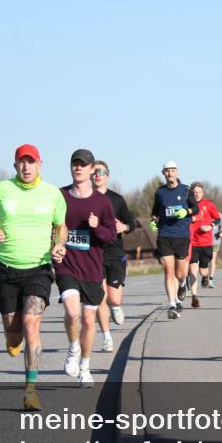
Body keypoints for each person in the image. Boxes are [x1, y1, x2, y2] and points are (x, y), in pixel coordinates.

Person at [0, 144, 67, 411]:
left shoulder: (52, 194)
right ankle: (12, 339)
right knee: (14, 331)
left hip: (39, 268)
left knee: (31, 323)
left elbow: (61, 225)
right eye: (22, 162)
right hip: (7, 268)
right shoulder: (2, 190)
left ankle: (31, 389)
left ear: (41, 164)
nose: (27, 167)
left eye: (31, 162)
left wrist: (60, 244)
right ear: (15, 165)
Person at [57, 149, 117, 387]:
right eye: (75, 164)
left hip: (92, 267)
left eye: (83, 165)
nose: (78, 168)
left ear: (92, 169)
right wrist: (56, 244)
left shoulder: (102, 202)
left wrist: (96, 228)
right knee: (72, 312)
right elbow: (50, 225)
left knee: (90, 321)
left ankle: (85, 367)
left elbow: (111, 236)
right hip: (66, 264)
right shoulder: (60, 196)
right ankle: (73, 348)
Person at [92, 160, 136, 351]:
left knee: (114, 299)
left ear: (107, 175)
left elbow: (132, 223)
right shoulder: (85, 198)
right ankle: (107, 337)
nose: (97, 175)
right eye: (94, 172)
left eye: (101, 172)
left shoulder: (117, 199)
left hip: (115, 252)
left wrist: (124, 227)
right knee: (100, 297)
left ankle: (116, 306)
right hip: (94, 252)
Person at [150, 161, 199, 319]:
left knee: (180, 273)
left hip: (181, 236)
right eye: (167, 171)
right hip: (165, 234)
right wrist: (153, 220)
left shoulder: (186, 190)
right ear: (163, 173)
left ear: (177, 171)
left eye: (172, 170)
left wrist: (187, 211)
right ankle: (173, 304)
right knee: (168, 272)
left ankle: (183, 284)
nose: (170, 173)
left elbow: (195, 208)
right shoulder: (160, 192)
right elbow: (155, 211)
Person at [187, 182, 221, 308]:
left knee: (202, 270)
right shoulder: (187, 205)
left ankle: (206, 277)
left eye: (199, 192)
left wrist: (209, 226)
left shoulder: (209, 204)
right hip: (192, 242)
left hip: (206, 242)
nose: (196, 194)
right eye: (194, 192)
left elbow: (217, 219)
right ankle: (194, 297)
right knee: (192, 270)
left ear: (203, 193)